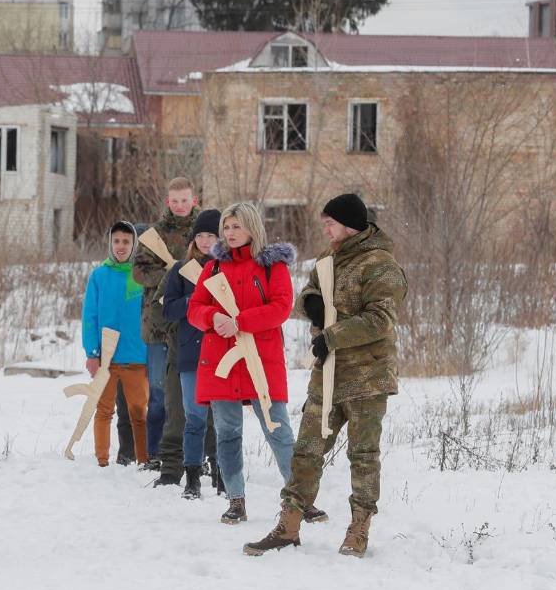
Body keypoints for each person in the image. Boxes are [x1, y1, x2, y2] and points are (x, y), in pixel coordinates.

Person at [244, 194, 407, 558]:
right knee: (306, 450)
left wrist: (332, 335)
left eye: (330, 222)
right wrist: (312, 303)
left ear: (350, 225)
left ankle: (358, 530)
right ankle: (288, 526)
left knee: (363, 455)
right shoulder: (326, 260)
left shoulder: (381, 265)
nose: (325, 227)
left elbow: (381, 319)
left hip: (368, 378)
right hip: (327, 376)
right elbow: (306, 295)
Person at [186, 202, 296, 526]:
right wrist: (212, 317)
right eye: (227, 227)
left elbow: (281, 307)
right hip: (221, 361)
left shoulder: (272, 267)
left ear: (252, 227)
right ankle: (236, 500)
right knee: (227, 432)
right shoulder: (214, 268)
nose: (230, 233)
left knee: (278, 430)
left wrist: (240, 321)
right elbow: (194, 308)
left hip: (261, 361)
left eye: (236, 226)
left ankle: (300, 496)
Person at [131, 178, 200, 470]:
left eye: (185, 200)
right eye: (175, 201)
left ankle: (194, 454)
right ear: (167, 202)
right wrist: (171, 276)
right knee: (159, 394)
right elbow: (139, 273)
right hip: (159, 323)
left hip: (194, 324)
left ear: (194, 200)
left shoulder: (207, 231)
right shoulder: (153, 235)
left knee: (193, 394)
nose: (180, 205)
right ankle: (155, 453)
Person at [160, 208, 220, 496]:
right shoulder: (181, 270)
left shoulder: (227, 268)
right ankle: (192, 478)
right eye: (201, 235)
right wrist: (192, 300)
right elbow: (168, 308)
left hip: (222, 353)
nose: (206, 241)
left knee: (222, 419)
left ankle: (222, 473)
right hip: (190, 353)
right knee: (194, 418)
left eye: (211, 235)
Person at [81, 221, 150, 467]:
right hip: (105, 358)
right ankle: (102, 461)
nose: (121, 246)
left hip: (136, 355)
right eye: (117, 241)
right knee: (104, 411)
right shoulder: (99, 275)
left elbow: (149, 314)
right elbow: (90, 317)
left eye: (126, 242)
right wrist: (92, 353)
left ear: (134, 245)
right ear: (110, 243)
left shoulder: (140, 275)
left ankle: (143, 460)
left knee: (139, 414)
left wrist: (150, 350)